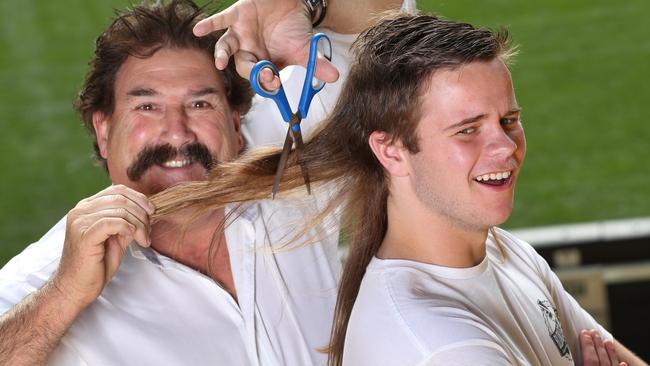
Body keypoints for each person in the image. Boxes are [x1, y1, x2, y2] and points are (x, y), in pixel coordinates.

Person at [152, 11, 647, 366]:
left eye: (509, 120)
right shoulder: (437, 345)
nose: (506, 147)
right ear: (390, 151)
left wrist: (307, 5)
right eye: (468, 130)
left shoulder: (502, 251)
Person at [0, 0, 406, 365]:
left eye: (200, 103)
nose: (176, 132)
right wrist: (62, 297)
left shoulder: (285, 150)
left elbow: (386, 15)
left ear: (235, 123)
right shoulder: (54, 275)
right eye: (147, 106)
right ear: (104, 131)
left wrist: (311, 5)